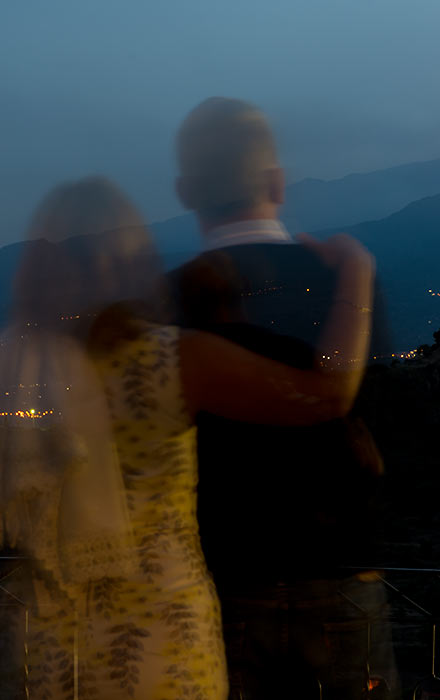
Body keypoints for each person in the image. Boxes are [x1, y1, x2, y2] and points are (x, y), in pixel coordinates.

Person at [0, 176, 373, 699]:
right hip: (160, 646)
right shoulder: (171, 362)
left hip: (47, 654)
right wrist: (356, 274)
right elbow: (328, 393)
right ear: (131, 258)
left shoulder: (14, 369)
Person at [171, 97, 397, 700]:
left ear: (185, 190)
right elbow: (380, 417)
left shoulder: (169, 303)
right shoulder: (349, 279)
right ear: (277, 182)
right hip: (343, 568)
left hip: (224, 573)